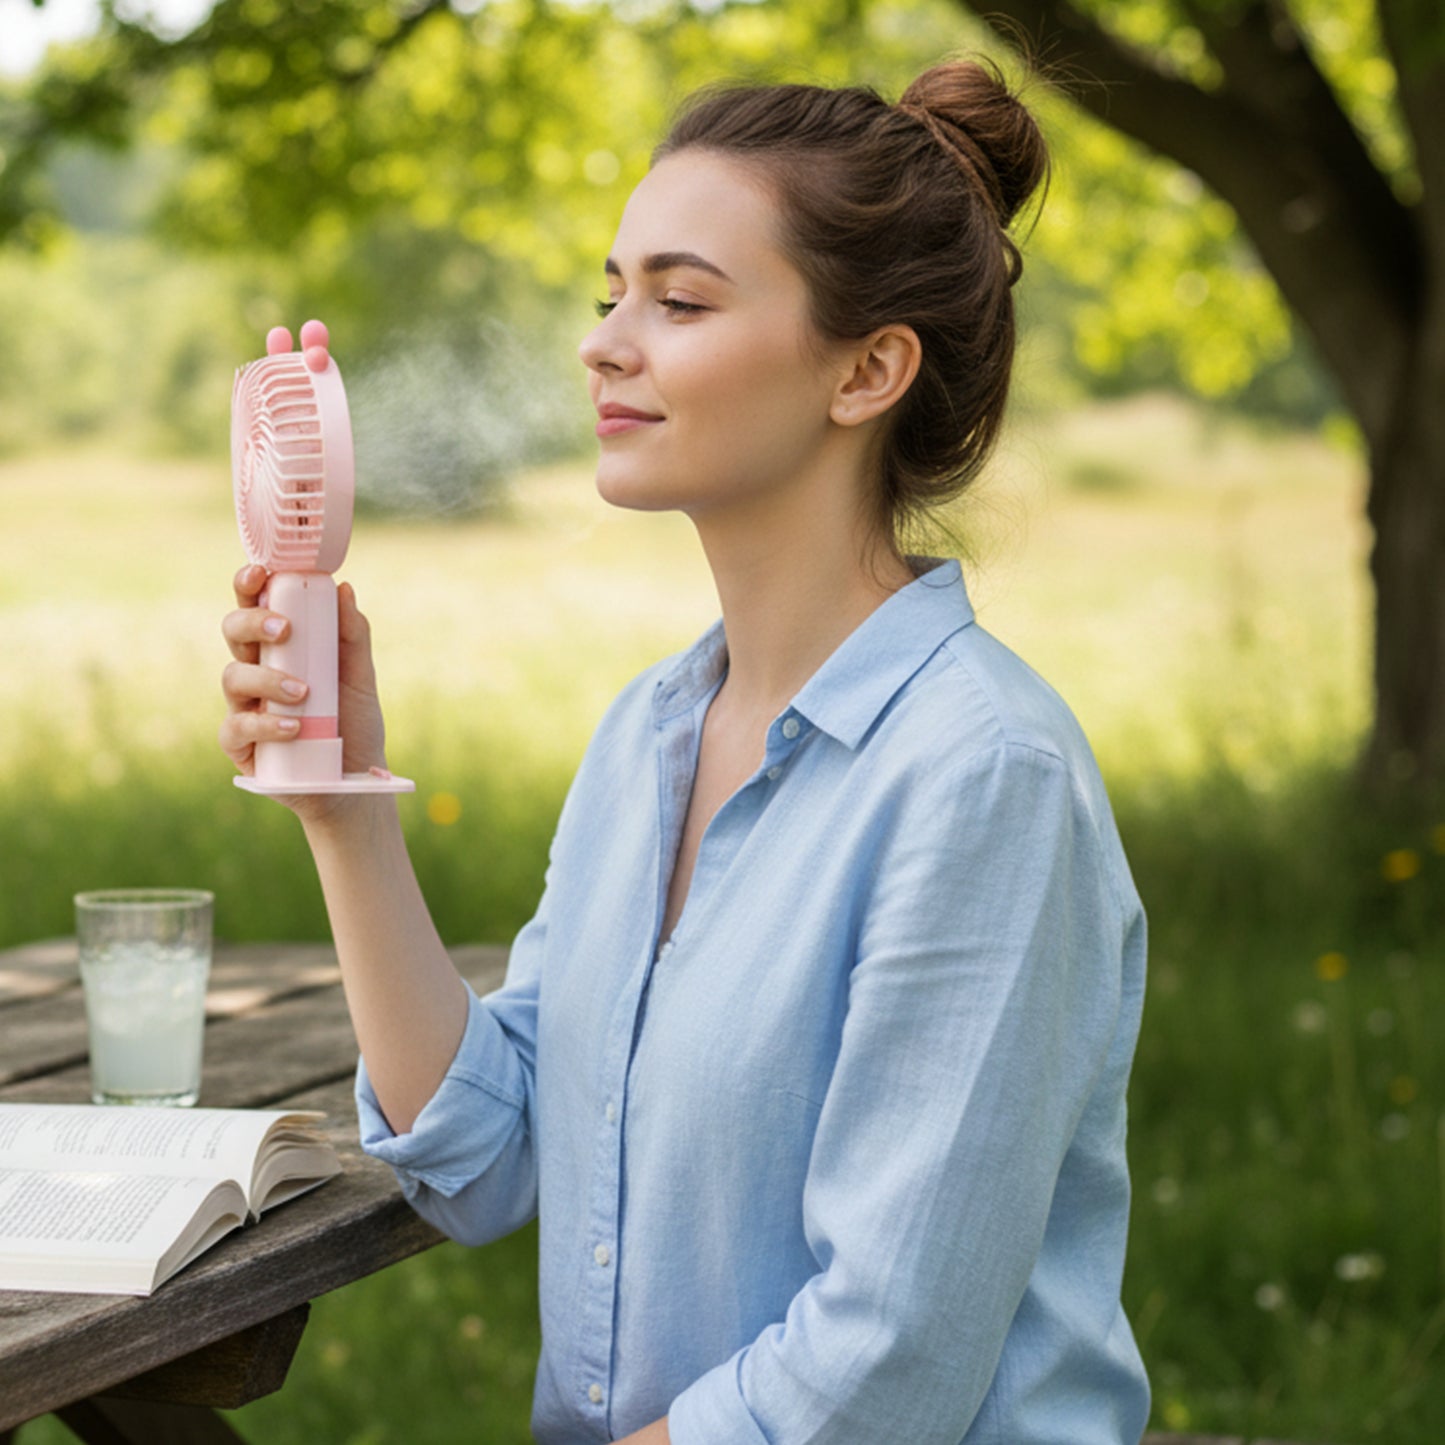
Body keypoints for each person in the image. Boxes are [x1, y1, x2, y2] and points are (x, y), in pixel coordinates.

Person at [221, 56, 1150, 1445]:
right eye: (611, 294)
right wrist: (343, 805)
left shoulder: (980, 777)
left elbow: (881, 1367)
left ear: (867, 369)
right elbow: (483, 1151)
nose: (604, 341)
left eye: (680, 298)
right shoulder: (650, 735)